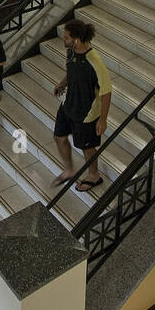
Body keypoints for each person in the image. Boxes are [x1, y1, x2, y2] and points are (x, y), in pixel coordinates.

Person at [50, 20, 113, 193]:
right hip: (68, 104)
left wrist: (103, 119)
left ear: (76, 39)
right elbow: (71, 71)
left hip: (86, 112)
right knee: (59, 137)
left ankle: (94, 175)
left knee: (87, 146)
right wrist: (62, 83)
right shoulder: (71, 52)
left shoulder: (95, 61)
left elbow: (106, 91)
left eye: (67, 36)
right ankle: (70, 170)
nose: (63, 38)